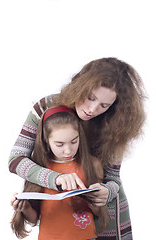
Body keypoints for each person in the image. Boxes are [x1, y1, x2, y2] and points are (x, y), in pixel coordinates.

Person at [9, 57, 146, 239]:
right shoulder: (45, 108)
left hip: (108, 218)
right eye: (90, 98)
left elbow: (113, 178)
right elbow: (16, 160)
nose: (92, 109)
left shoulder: (115, 123)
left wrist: (107, 191)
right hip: (60, 222)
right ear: (80, 86)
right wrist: (55, 179)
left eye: (104, 105)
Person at [11, 106, 108, 240]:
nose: (68, 150)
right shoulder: (38, 169)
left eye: (74, 141)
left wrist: (94, 201)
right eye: (59, 144)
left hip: (85, 237)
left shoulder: (91, 164)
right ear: (46, 140)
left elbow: (99, 213)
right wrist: (25, 207)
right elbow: (34, 219)